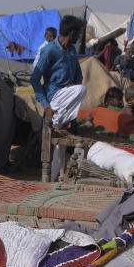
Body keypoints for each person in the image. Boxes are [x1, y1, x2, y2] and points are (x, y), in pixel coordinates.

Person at [30, 15, 87, 180]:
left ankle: (55, 179)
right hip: (54, 97)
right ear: (72, 33)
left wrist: (72, 87)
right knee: (50, 141)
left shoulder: (71, 50)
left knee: (61, 145)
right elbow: (35, 78)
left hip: (66, 101)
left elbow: (78, 76)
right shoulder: (49, 50)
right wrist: (46, 105)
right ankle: (46, 180)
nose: (79, 38)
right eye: (78, 34)